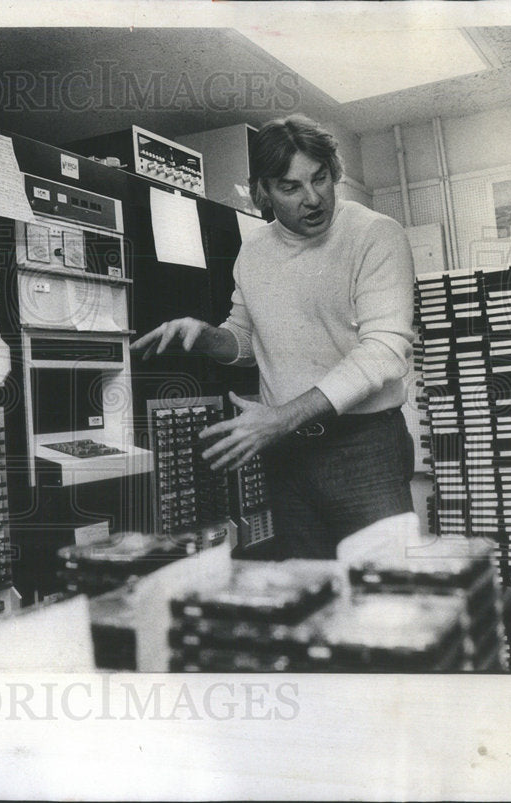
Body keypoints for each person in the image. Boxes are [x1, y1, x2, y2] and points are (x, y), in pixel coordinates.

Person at [131, 114, 416, 559]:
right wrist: (208, 337)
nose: (313, 198)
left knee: (384, 595)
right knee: (306, 595)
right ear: (262, 191)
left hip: (363, 448)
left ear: (334, 172)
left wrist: (282, 417)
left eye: (320, 178)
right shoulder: (255, 250)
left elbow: (383, 353)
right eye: (291, 187)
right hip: (287, 455)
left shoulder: (375, 235)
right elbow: (247, 340)